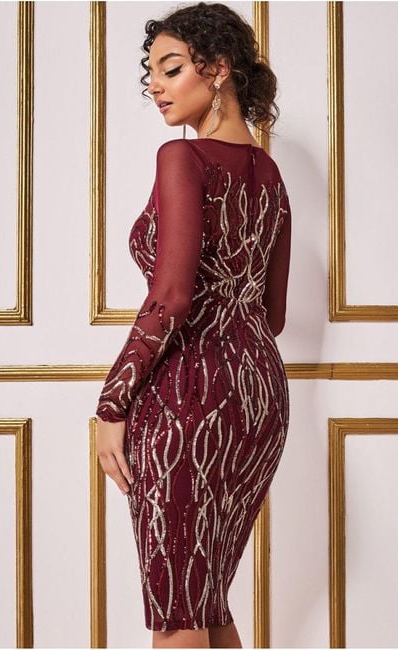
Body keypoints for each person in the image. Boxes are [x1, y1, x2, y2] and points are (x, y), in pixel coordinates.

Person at [94, 2, 292, 648]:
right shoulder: (271, 175)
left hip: (189, 398)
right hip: (259, 398)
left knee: (179, 613)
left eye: (172, 68)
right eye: (150, 72)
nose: (155, 85)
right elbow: (273, 315)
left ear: (219, 68)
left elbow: (172, 296)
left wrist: (112, 403)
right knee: (204, 603)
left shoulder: (182, 159)